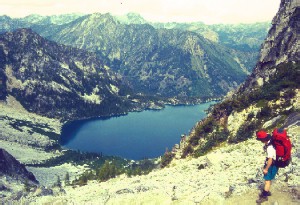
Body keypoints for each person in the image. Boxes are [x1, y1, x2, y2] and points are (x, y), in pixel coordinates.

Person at [256, 130, 279, 203]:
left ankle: (264, 196)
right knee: (268, 179)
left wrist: (266, 169)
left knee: (267, 180)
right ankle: (267, 190)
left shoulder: (270, 147)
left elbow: (270, 160)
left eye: (261, 140)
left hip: (272, 165)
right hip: (276, 163)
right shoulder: (271, 139)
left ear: (263, 140)